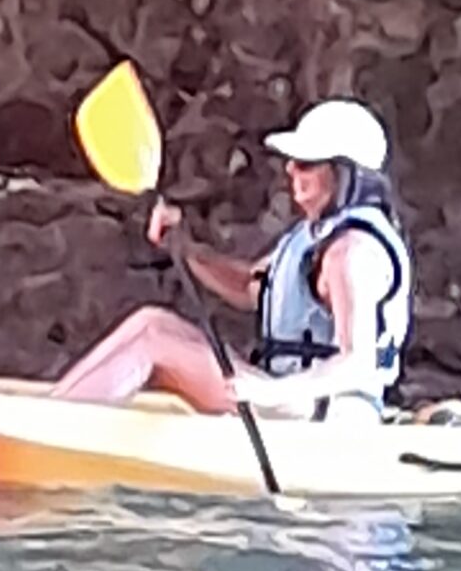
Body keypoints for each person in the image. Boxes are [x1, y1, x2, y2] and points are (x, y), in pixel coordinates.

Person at [54, 97, 412, 419]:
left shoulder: (353, 252)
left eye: (306, 163)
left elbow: (357, 362)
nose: (290, 169)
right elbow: (248, 287)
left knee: (152, 341)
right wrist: (185, 248)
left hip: (327, 411)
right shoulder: (312, 237)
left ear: (344, 175)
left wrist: (270, 392)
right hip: (293, 395)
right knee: (153, 321)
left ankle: (56, 428)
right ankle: (55, 411)